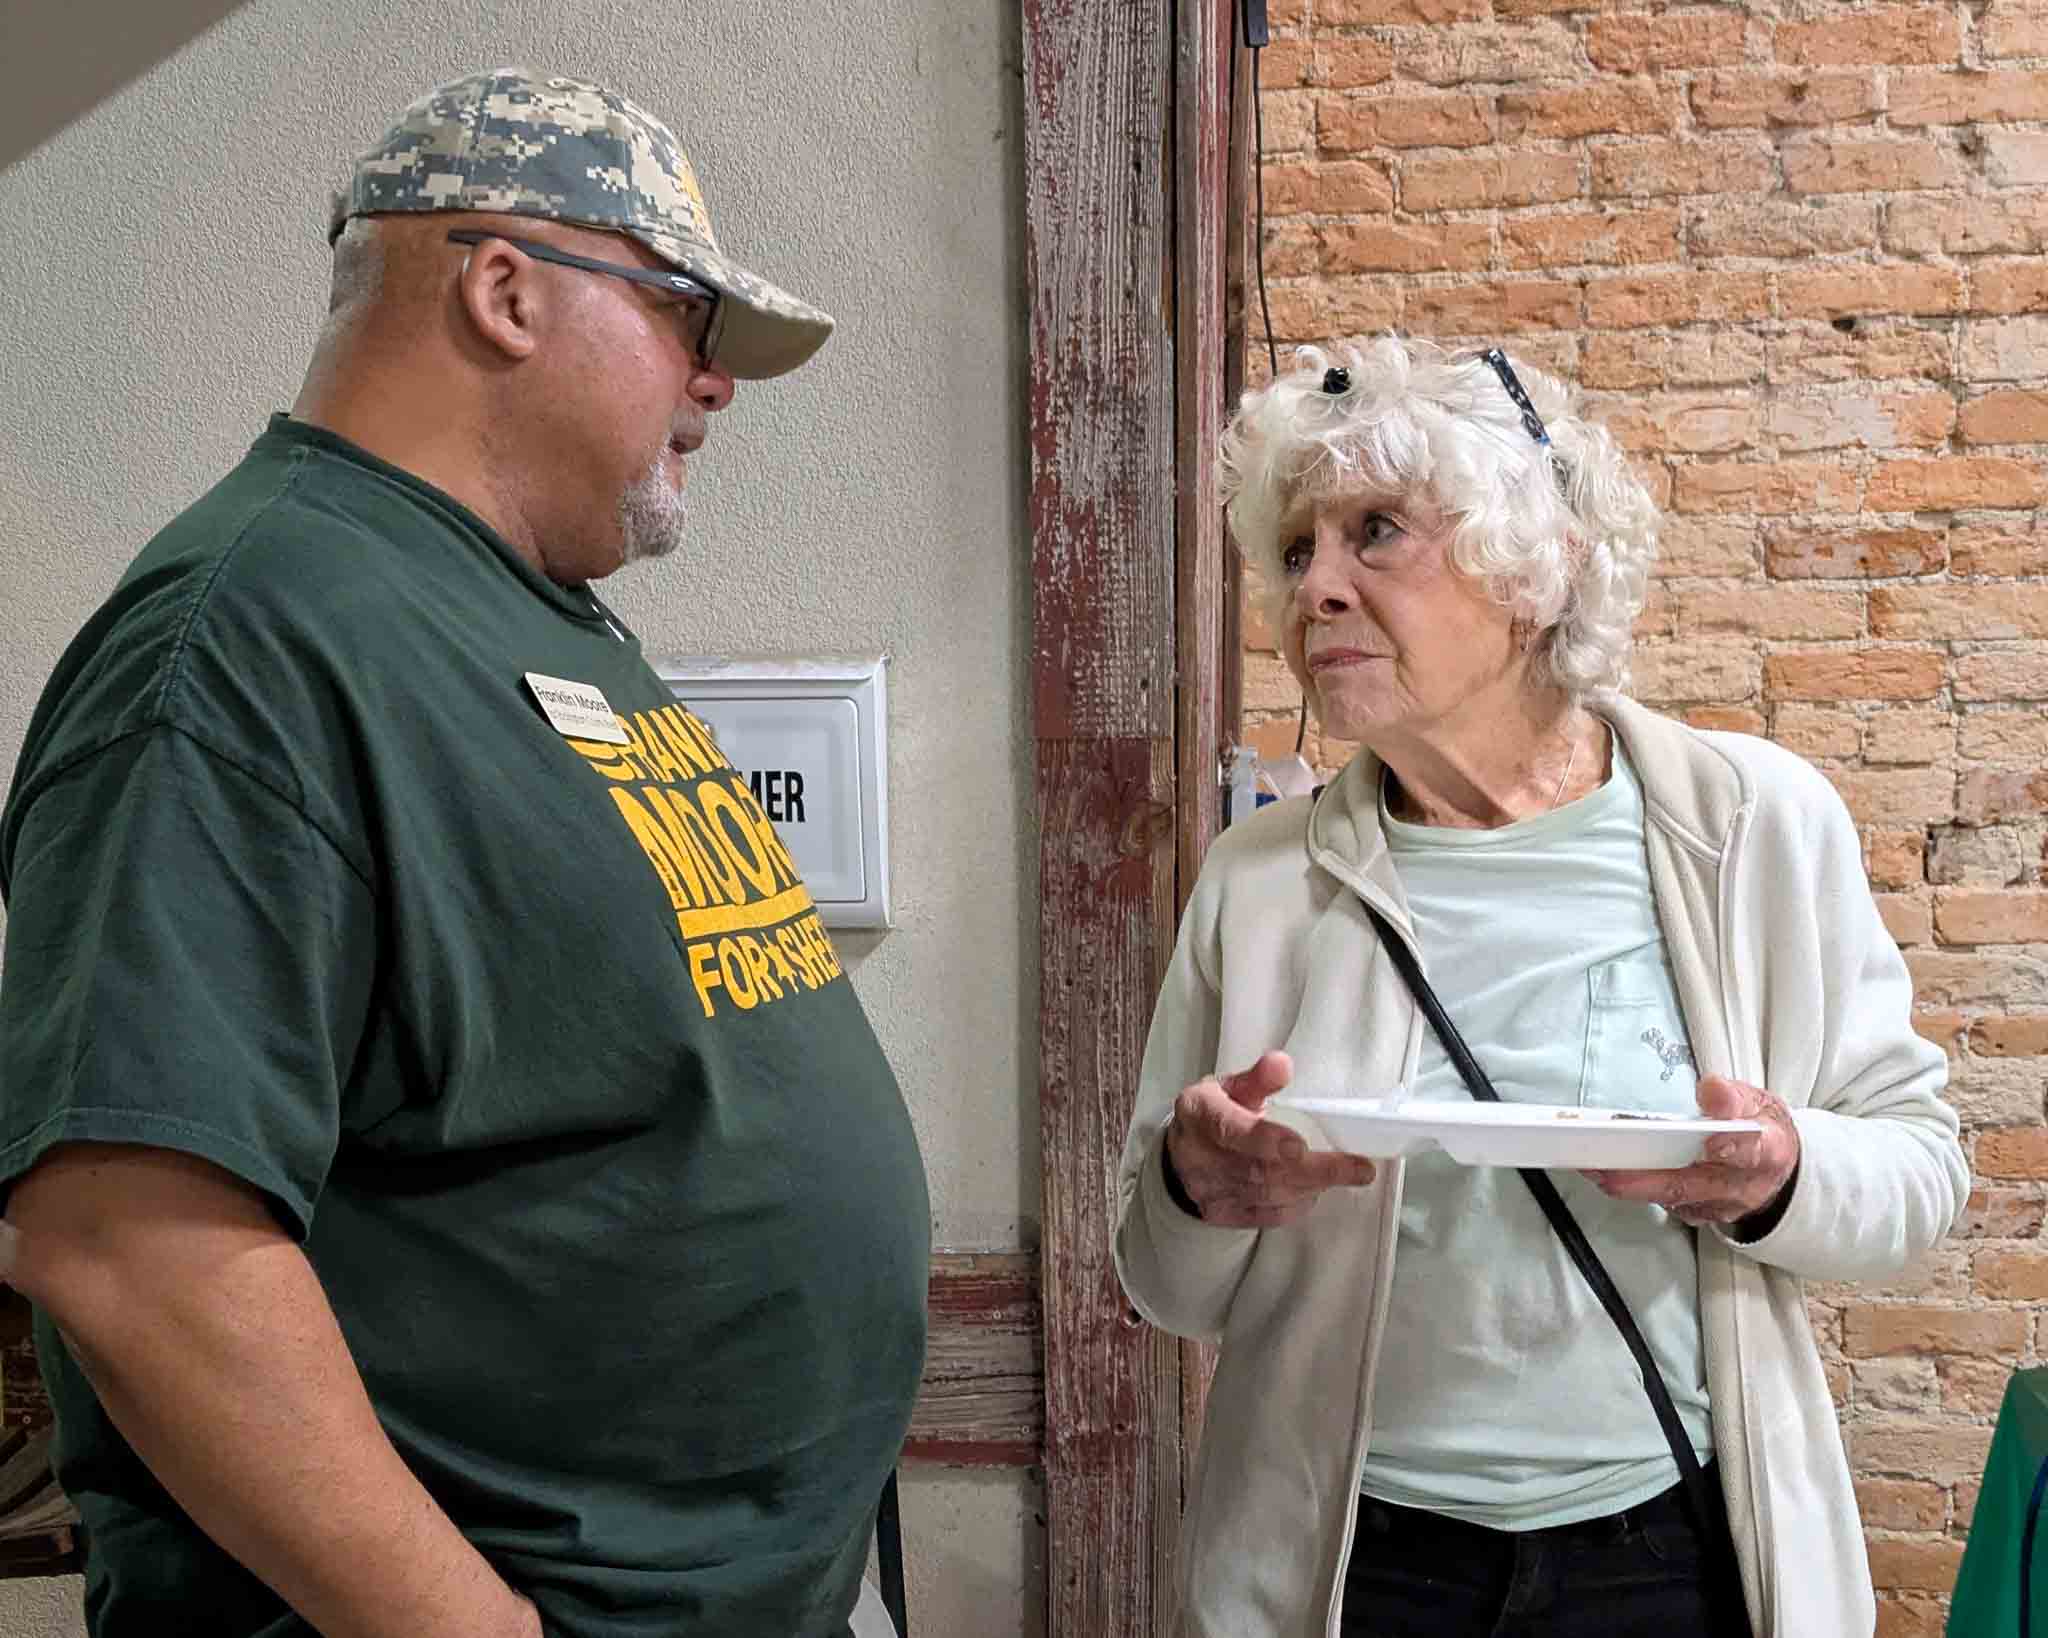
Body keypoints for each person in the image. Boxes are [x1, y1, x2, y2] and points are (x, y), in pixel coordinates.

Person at [0, 69, 928, 1638]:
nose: (716, 386)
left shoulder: (519, 612)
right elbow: (127, 1248)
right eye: (687, 322)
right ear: (504, 289)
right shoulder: (243, 639)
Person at [1114, 336, 1968, 1638]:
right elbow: (1164, 1280)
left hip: (1671, 1551)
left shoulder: (1751, 827)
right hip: (1354, 1560)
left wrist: (1782, 1172)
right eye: (1295, 550)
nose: (1317, 589)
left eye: (1375, 533)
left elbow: (1919, 1175)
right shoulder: (1260, 879)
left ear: (1537, 563)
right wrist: (1197, 1185)